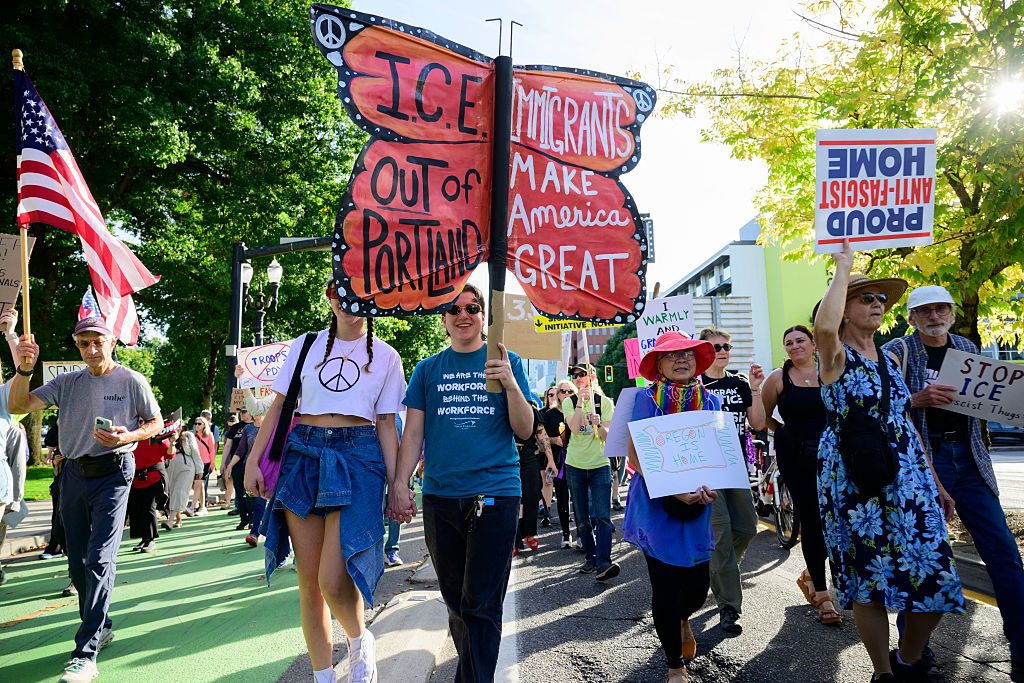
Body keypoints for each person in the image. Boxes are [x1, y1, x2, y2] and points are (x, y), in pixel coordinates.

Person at [814, 240, 964, 682]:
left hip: (908, 479)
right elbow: (823, 331)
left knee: (937, 578)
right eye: (868, 297)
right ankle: (883, 673)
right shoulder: (836, 356)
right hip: (854, 484)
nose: (878, 304)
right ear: (843, 308)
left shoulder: (892, 362)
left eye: (882, 298)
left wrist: (936, 483)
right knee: (868, 587)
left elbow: (906, 425)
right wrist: (844, 269)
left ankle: (908, 658)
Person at [245, 280, 405, 683]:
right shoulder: (305, 345)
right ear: (330, 298)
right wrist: (252, 460)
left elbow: (386, 422)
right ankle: (323, 677)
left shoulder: (386, 356)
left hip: (359, 455)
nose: (349, 303)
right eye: (341, 294)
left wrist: (397, 482)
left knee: (333, 579)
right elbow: (279, 405)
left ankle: (357, 638)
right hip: (304, 453)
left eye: (359, 296)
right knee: (308, 582)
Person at [390, 284, 534, 682]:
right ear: (443, 320)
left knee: (482, 603)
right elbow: (413, 433)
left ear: (485, 316)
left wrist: (510, 383)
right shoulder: (427, 369)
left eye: (472, 307)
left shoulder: (507, 361)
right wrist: (400, 484)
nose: (463, 314)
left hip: (496, 494)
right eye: (453, 309)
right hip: (440, 497)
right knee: (456, 603)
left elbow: (524, 430)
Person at [883, 285, 1024, 681]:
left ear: (950, 312)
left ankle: (1021, 646)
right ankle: (914, 651)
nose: (934, 316)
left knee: (1005, 556)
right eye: (924, 310)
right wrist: (917, 399)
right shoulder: (898, 352)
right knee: (924, 559)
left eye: (940, 308)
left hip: (971, 460)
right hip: (924, 463)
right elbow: (876, 403)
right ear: (911, 318)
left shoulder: (967, 348)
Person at [10, 316, 161, 683]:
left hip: (114, 471)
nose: (91, 350)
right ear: (77, 347)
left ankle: (85, 652)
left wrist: (129, 437)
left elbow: (155, 423)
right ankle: (102, 623)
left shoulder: (131, 380)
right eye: (83, 344)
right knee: (77, 564)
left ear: (112, 342)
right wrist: (23, 369)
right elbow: (18, 405)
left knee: (99, 559)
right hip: (73, 474)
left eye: (97, 342)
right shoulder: (67, 382)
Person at [625, 332, 720, 683]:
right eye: (672, 355)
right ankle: (674, 666)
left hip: (699, 504)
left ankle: (683, 619)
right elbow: (636, 453)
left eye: (687, 354)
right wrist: (673, 489)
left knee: (697, 588)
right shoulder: (646, 399)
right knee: (664, 586)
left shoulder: (711, 402)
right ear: (659, 365)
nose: (682, 360)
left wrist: (713, 487)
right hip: (656, 503)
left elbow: (717, 455)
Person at [760, 325, 840, 625]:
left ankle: (810, 573)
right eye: (788, 342)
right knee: (812, 520)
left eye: (800, 340)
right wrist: (786, 434)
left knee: (838, 518)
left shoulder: (831, 371)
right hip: (796, 455)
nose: (795, 346)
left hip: (832, 456)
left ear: (813, 344)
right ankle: (823, 595)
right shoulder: (778, 378)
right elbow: (764, 417)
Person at [698, 327, 765, 635]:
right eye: (716, 346)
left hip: (736, 466)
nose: (723, 350)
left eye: (726, 346)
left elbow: (759, 423)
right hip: (707, 468)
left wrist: (755, 387)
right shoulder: (694, 385)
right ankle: (729, 607)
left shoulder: (739, 384)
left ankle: (720, 570)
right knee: (721, 535)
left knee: (747, 528)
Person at [562, 363, 618, 580]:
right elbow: (574, 428)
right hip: (575, 464)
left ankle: (604, 562)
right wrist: (580, 405)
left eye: (582, 374)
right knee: (583, 517)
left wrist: (599, 425)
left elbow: (608, 437)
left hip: (599, 464)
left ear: (592, 376)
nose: (577, 378)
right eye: (574, 375)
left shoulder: (604, 402)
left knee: (602, 516)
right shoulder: (569, 402)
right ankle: (591, 557)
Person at [127, 420, 174, 552]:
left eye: (143, 420)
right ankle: (144, 538)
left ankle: (151, 539)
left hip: (154, 477)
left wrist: (172, 442)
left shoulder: (157, 435)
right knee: (137, 509)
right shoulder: (132, 435)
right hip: (136, 478)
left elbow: (170, 454)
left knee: (149, 507)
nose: (140, 423)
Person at [543, 380, 577, 549]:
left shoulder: (579, 412)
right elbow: (541, 439)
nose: (566, 394)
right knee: (563, 498)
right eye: (563, 391)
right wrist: (552, 440)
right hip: (559, 461)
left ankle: (583, 534)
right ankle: (566, 533)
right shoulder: (550, 415)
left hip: (579, 459)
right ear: (557, 395)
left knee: (579, 498)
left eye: (570, 391)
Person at [163, 422, 202, 530]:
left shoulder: (188, 435)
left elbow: (195, 451)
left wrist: (199, 470)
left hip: (186, 465)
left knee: (180, 491)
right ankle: (179, 518)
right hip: (171, 465)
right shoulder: (168, 436)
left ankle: (170, 521)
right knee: (172, 492)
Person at [221, 411, 245, 513]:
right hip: (236, 461)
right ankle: (240, 510)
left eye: (245, 411)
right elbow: (227, 445)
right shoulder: (235, 428)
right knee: (238, 487)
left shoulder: (255, 426)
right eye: (241, 412)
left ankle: (252, 515)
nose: (242, 413)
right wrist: (223, 463)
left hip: (250, 461)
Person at [192, 416, 215, 515]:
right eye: (196, 423)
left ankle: (193, 507)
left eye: (199, 423)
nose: (197, 425)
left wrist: (212, 463)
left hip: (205, 462)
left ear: (204, 425)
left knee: (199, 484)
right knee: (199, 485)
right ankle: (202, 506)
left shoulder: (209, 435)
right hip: (195, 462)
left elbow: (212, 450)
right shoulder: (193, 435)